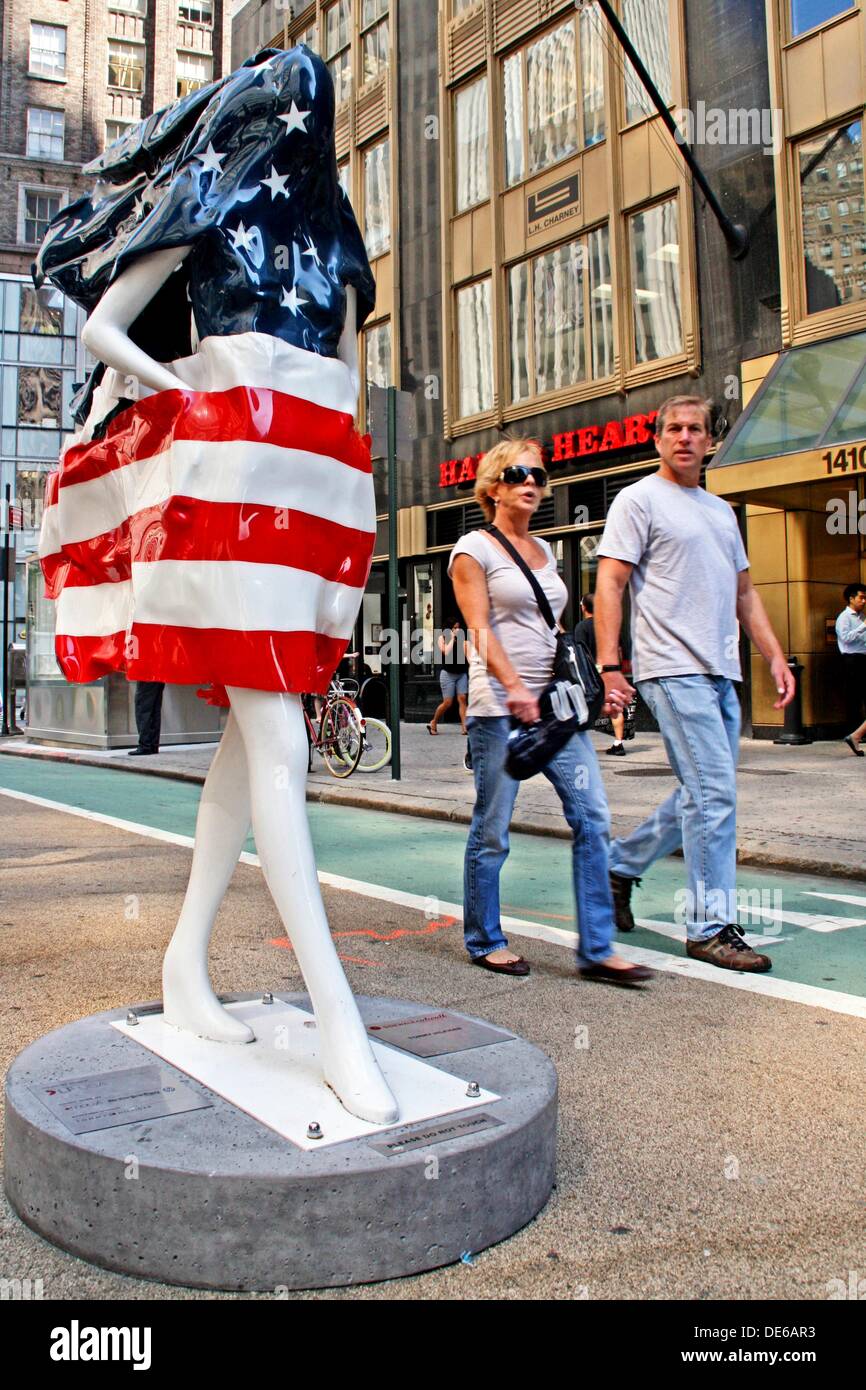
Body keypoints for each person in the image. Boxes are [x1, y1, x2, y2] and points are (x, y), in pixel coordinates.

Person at [35, 47, 398, 1124]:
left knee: (254, 745)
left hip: (308, 489)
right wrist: (187, 398)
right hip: (229, 487)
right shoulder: (213, 205)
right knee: (278, 737)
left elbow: (343, 374)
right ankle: (336, 1018)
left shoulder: (332, 236)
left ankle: (186, 964)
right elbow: (104, 325)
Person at [595, 395, 795, 972]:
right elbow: (610, 583)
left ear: (710, 442)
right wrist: (612, 665)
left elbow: (745, 594)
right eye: (673, 429)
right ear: (658, 439)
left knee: (699, 791)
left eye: (695, 430)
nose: (684, 437)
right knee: (714, 793)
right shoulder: (638, 500)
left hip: (720, 672)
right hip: (670, 667)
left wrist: (776, 658)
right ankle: (709, 926)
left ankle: (620, 866)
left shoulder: (721, 511)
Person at [449, 437, 653, 987]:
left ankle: (597, 949)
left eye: (539, 475)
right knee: (493, 828)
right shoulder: (473, 549)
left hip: (557, 710)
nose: (532, 483)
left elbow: (552, 630)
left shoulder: (546, 551)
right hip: (500, 708)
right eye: (519, 474)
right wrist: (514, 686)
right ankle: (485, 939)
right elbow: (480, 629)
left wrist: (596, 681)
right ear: (494, 486)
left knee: (593, 818)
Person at [574, 593, 627, 756]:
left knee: (582, 707)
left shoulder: (581, 627)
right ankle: (618, 743)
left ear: (584, 607)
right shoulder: (608, 626)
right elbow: (619, 649)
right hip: (609, 670)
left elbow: (579, 651)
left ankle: (580, 746)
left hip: (589, 672)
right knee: (614, 706)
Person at [835, 582, 866, 756]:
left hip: (863, 658)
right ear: (851, 598)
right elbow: (846, 638)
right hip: (851, 659)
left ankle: (858, 734)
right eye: (861, 597)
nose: (864, 601)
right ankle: (854, 732)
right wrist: (863, 627)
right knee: (854, 697)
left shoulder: (861, 617)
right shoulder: (844, 618)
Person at [426, 620, 468, 736]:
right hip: (447, 674)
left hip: (461, 673)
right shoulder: (441, 638)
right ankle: (434, 722)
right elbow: (446, 651)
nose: (457, 630)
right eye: (454, 627)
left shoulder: (462, 639)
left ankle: (465, 727)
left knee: (462, 698)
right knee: (448, 702)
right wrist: (453, 639)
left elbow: (467, 653)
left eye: (458, 627)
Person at [130, 680, 165, 756]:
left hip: (146, 674)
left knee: (143, 707)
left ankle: (145, 745)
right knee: (155, 709)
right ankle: (152, 745)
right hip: (159, 674)